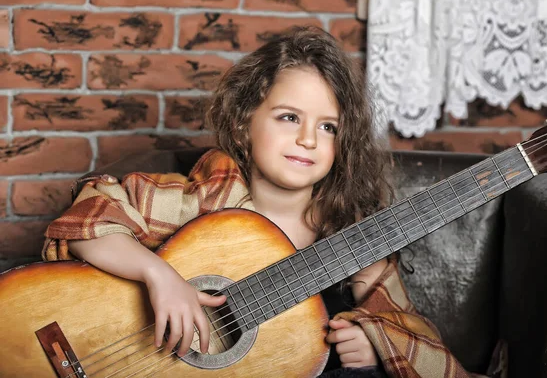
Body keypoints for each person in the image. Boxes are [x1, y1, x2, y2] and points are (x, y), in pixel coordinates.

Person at [43, 26, 473, 377]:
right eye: (289, 117)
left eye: (328, 127)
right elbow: (88, 221)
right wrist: (160, 276)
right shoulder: (206, 200)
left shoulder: (352, 237)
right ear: (245, 123)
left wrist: (375, 341)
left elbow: (410, 327)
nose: (308, 138)